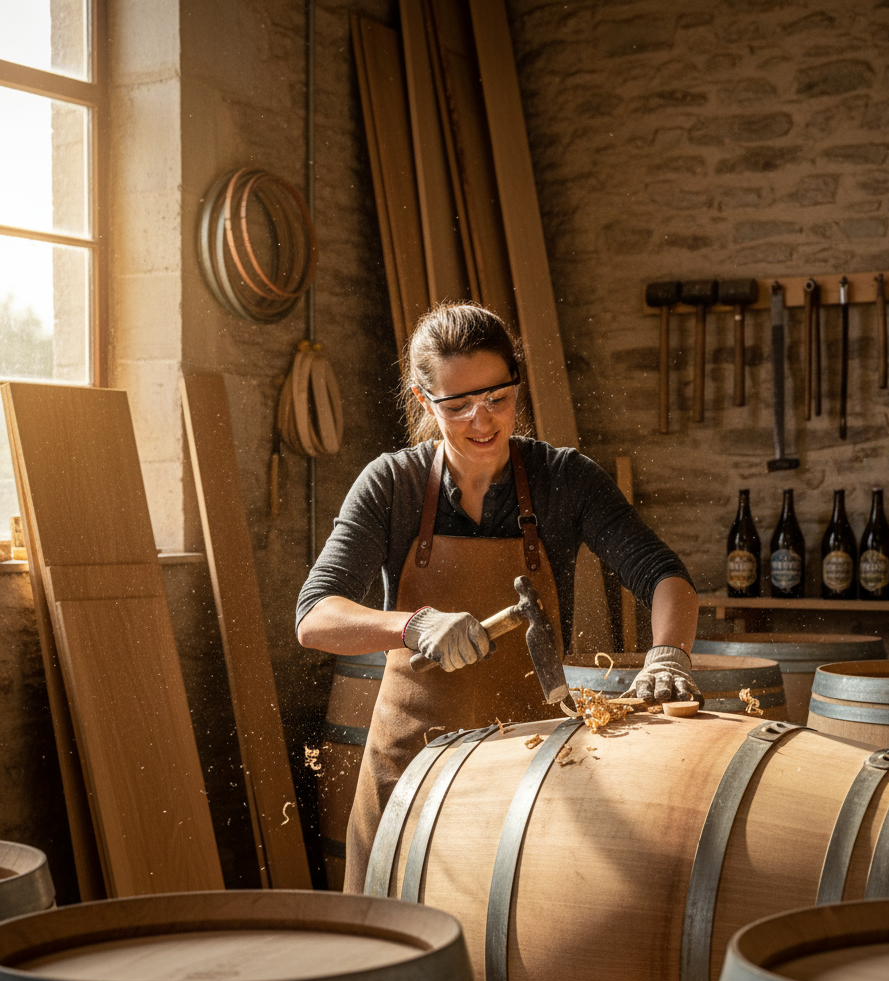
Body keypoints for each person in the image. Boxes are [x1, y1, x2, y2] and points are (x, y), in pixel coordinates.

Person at [296, 302, 700, 893]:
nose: (482, 422)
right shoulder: (392, 484)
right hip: (408, 780)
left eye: (498, 399)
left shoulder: (564, 478)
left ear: (518, 385)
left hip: (527, 778)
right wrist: (413, 626)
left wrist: (670, 654)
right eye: (457, 406)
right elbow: (315, 615)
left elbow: (665, 575)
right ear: (422, 400)